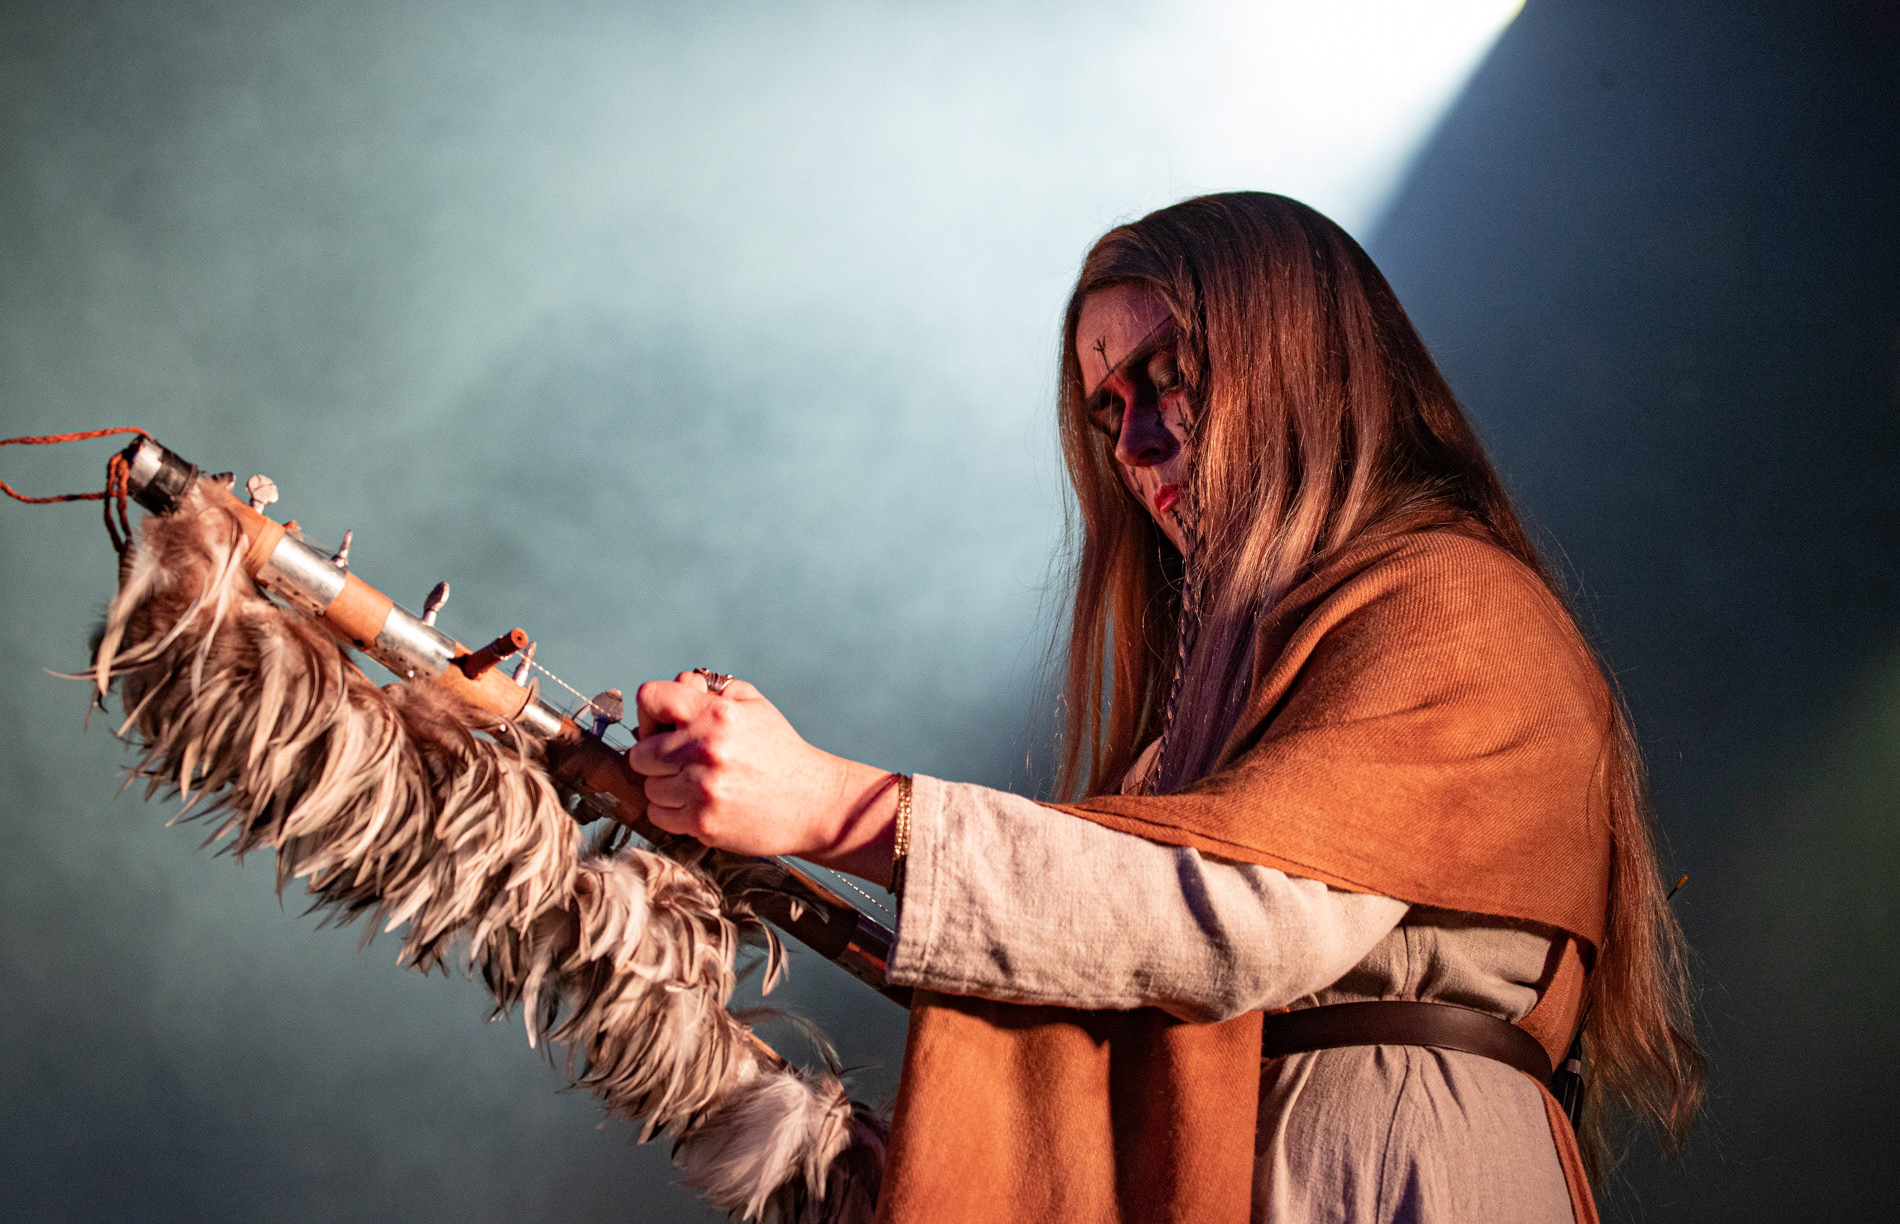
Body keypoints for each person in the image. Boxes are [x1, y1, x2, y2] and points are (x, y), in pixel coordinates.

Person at [625, 192, 1703, 1223]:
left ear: (1300, 364)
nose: (1134, 446)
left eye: (1170, 378)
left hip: (1388, 1168)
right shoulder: (1200, 723)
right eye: (1108, 410)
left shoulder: (1454, 603)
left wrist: (830, 806)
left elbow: (1246, 918)